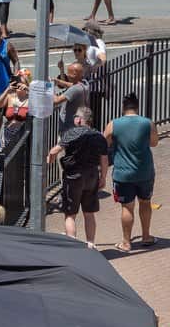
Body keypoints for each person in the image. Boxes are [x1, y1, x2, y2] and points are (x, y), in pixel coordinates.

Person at [106, 93, 159, 251]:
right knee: (145, 202)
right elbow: (154, 143)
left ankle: (126, 242)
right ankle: (146, 236)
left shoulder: (114, 124)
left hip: (123, 173)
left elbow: (103, 142)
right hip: (145, 171)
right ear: (137, 107)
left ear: (123, 107)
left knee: (127, 207)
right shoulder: (147, 123)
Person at [49, 106, 109, 248]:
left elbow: (55, 151)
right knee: (89, 213)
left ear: (80, 120)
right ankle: (91, 243)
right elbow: (104, 159)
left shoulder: (72, 133)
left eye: (76, 116)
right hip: (92, 175)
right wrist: (103, 177)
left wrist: (49, 159)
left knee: (70, 214)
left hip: (73, 176)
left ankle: (73, 246)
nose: (74, 119)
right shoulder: (98, 136)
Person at [54, 62, 90, 139]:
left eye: (68, 73)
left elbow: (56, 101)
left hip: (68, 128)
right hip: (77, 126)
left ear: (74, 74)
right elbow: (70, 84)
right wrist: (58, 81)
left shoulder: (74, 89)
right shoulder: (85, 83)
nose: (67, 75)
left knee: (63, 149)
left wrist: (49, 88)